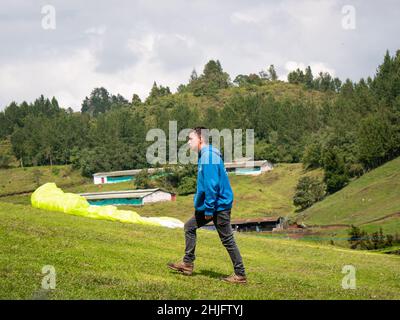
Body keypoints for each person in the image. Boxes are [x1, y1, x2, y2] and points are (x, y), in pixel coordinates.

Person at [167, 127, 247, 284]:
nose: (188, 142)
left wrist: (209, 209)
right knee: (189, 227)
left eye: (190, 139)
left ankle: (240, 274)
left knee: (227, 240)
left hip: (218, 206)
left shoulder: (208, 157)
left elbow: (212, 186)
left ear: (200, 139)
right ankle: (187, 263)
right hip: (212, 204)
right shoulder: (206, 155)